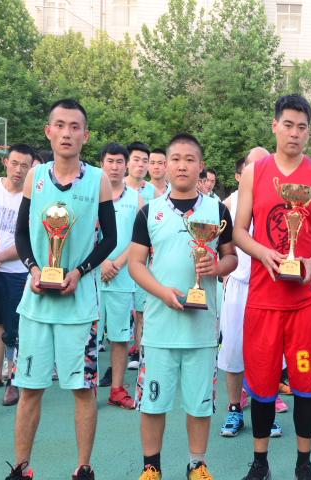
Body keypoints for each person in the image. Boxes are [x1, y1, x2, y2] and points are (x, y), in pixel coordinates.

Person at [6, 98, 117, 480]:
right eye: (60, 125)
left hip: (79, 306)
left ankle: (83, 468)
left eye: (75, 126)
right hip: (36, 305)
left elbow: (109, 239)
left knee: (83, 390)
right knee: (29, 388)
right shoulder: (35, 177)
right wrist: (34, 269)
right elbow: (21, 234)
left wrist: (80, 272)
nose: (67, 133)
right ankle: (21, 468)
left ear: (85, 135)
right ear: (48, 131)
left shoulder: (98, 179)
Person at [234, 94, 311, 480]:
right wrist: (263, 252)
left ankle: (303, 463)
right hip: (263, 298)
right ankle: (260, 463)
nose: (295, 133)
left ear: (309, 132)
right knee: (262, 385)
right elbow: (239, 231)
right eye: (288, 125)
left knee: (306, 386)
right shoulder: (255, 173)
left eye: (302, 127)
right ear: (275, 126)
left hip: (306, 301)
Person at [129, 133, 237, 480]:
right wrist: (162, 292)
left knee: (200, 403)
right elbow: (135, 264)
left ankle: (197, 464)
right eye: (175, 158)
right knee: (152, 402)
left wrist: (216, 267)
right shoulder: (149, 211)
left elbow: (231, 258)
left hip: (201, 328)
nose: (182, 165)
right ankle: (151, 467)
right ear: (165, 164)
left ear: (200, 166)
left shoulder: (217, 211)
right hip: (160, 327)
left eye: (190, 159)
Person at [219, 146, 287, 438]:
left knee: (269, 353)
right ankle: (235, 409)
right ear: (244, 170)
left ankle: (266, 411)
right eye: (252, 166)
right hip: (239, 285)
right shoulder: (228, 203)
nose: (258, 171)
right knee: (233, 350)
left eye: (264, 165)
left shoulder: (284, 199)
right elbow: (219, 246)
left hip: (272, 286)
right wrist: (224, 273)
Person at [0, 143, 33, 407]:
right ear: (5, 162)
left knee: (13, 331)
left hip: (14, 274)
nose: (18, 169)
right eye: (14, 163)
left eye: (25, 165)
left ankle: (12, 380)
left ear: (31, 169)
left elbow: (27, 240)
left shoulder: (32, 199)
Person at [96, 143, 144, 408]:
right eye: (109, 161)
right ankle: (86, 388)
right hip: (91, 278)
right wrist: (101, 261)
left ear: (126, 166)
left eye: (119, 162)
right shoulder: (91, 195)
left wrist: (115, 263)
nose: (114, 167)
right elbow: (83, 235)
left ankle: (116, 389)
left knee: (119, 337)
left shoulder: (136, 199)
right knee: (88, 336)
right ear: (101, 163)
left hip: (122, 279)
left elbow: (139, 241)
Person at [125, 141, 160, 371]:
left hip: (142, 261)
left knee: (140, 311)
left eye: (144, 161)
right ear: (127, 162)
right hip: (115, 262)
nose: (141, 165)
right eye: (136, 160)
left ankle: (139, 353)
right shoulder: (113, 187)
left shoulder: (153, 192)